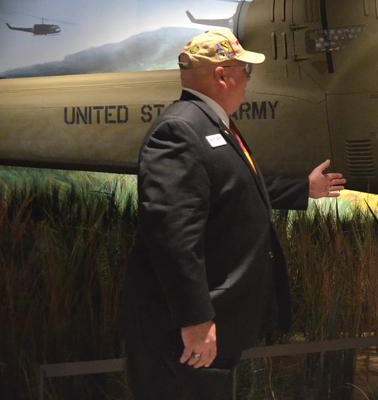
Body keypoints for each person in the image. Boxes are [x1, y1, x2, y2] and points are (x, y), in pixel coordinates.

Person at [121, 28, 345, 399]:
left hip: (211, 326)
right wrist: (195, 319)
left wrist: (304, 189)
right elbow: (173, 235)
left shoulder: (210, 125)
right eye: (245, 71)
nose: (248, 81)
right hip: (182, 335)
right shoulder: (180, 130)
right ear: (222, 75)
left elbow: (233, 190)